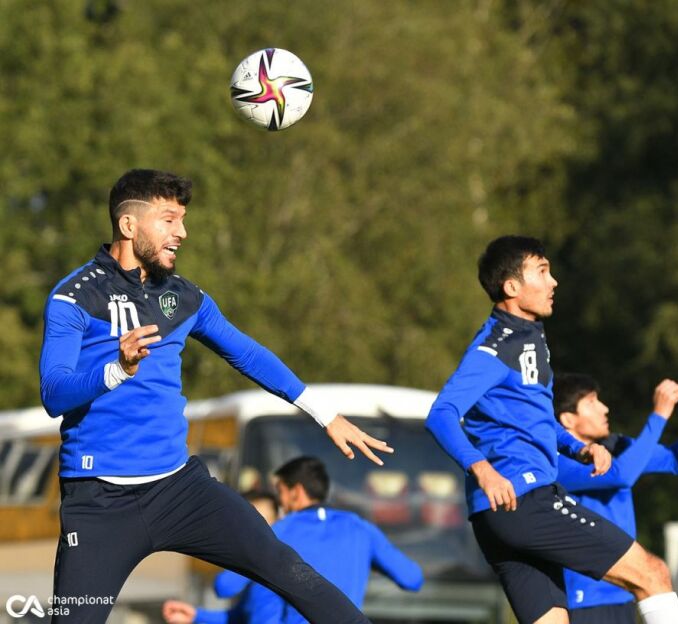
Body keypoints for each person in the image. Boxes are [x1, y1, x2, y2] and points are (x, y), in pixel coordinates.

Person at [40, 169, 393, 623]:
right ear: (128, 225)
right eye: (169, 220)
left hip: (179, 489)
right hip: (99, 501)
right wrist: (117, 370)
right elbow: (54, 392)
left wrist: (325, 414)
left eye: (183, 220)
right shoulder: (73, 297)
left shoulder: (184, 297)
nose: (182, 233)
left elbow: (247, 353)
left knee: (287, 567)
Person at [425, 235, 678, 624]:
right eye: (542, 271)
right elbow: (441, 413)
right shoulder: (494, 348)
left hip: (500, 515)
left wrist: (577, 447)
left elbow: (536, 418)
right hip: (527, 500)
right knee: (652, 574)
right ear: (512, 287)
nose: (554, 282)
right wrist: (482, 469)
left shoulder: (528, 337)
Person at [163, 457, 424, 623]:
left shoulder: (280, 530)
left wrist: (199, 616)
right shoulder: (362, 529)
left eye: (280, 492)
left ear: (296, 492)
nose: (280, 502)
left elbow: (225, 587)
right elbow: (412, 579)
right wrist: (367, 561)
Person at [553, 374, 678, 624]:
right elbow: (622, 476)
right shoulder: (558, 462)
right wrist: (658, 416)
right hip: (585, 599)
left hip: (625, 593)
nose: (604, 408)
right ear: (568, 419)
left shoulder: (617, 446)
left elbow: (676, 461)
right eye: (592, 402)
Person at [162, 490, 279, 624]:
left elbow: (224, 586)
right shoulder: (258, 574)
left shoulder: (273, 562)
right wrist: (195, 615)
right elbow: (241, 616)